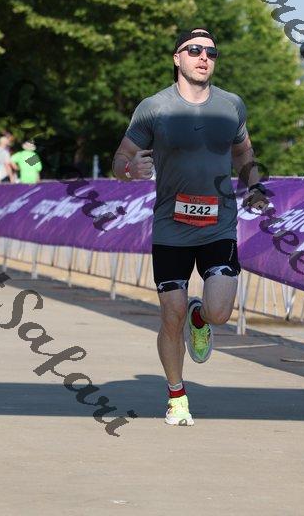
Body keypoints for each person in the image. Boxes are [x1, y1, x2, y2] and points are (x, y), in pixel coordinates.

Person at [112, 28, 267, 426]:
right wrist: (130, 170)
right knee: (171, 314)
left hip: (219, 224)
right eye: (194, 50)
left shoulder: (231, 105)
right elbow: (121, 158)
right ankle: (177, 396)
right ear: (176, 58)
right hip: (171, 228)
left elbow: (243, 151)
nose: (204, 57)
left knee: (219, 313)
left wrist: (254, 186)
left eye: (211, 52)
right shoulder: (154, 107)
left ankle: (201, 318)